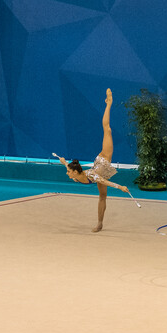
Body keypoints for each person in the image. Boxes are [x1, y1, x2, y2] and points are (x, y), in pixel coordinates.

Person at [54, 88, 130, 233]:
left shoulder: (90, 175)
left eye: (69, 171)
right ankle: (100, 223)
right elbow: (70, 168)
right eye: (69, 171)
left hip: (104, 158)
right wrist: (64, 162)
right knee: (102, 196)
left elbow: (104, 181)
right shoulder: (76, 175)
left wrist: (120, 187)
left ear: (75, 172)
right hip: (100, 172)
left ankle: (109, 103)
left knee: (107, 129)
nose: (67, 173)